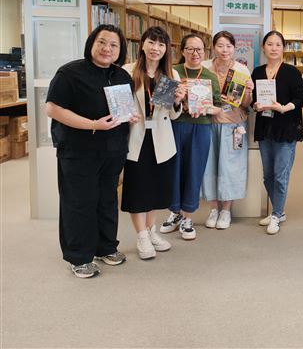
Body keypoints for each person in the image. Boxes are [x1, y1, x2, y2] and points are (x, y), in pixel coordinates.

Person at [46, 24, 138, 278]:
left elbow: (124, 109)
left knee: (107, 199)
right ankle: (79, 256)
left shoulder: (122, 76)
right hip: (78, 150)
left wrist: (131, 116)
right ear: (91, 44)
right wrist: (93, 125)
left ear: (121, 50)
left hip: (113, 149)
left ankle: (105, 247)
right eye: (102, 42)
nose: (107, 48)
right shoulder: (69, 73)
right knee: (79, 202)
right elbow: (53, 109)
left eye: (114, 45)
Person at [122, 26, 186, 260]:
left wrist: (178, 102)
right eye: (151, 42)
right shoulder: (128, 72)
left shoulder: (170, 74)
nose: (155, 48)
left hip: (161, 139)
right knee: (137, 189)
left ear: (166, 48)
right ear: (142, 44)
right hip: (136, 137)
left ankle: (151, 231)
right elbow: (120, 106)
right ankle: (141, 236)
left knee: (156, 189)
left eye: (160, 44)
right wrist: (125, 115)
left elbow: (173, 114)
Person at [160, 34, 221, 241]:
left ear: (205, 52)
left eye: (199, 49)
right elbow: (161, 102)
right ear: (182, 51)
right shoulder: (172, 72)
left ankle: (187, 217)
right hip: (175, 126)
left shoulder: (210, 76)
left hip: (201, 128)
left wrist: (205, 109)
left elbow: (218, 108)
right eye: (190, 49)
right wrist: (178, 97)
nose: (195, 53)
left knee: (194, 171)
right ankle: (174, 212)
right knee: (174, 169)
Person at [251, 31, 303, 235]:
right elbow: (253, 99)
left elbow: (299, 99)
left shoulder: (292, 72)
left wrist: (283, 108)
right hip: (265, 128)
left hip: (286, 127)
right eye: (270, 44)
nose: (274, 48)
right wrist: (255, 105)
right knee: (268, 175)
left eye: (278, 44)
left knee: (281, 175)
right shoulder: (257, 72)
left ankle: (276, 214)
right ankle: (278, 212)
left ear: (283, 48)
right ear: (263, 47)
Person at [201, 31, 254, 230]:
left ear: (234, 48)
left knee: (230, 167)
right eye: (220, 45)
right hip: (209, 123)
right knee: (209, 166)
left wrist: (249, 91)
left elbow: (246, 104)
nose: (225, 50)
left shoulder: (241, 69)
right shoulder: (205, 67)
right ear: (213, 47)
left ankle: (226, 210)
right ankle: (214, 208)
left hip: (233, 125)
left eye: (229, 46)